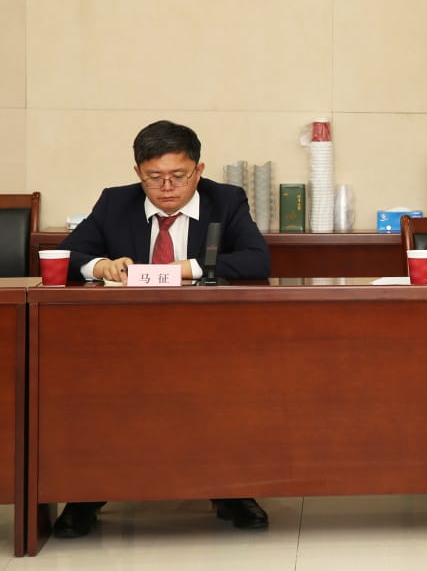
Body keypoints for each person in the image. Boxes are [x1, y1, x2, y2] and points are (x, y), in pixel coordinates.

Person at [52, 120, 271, 538]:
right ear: (138, 173)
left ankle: (231, 489)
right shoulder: (116, 202)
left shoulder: (225, 200)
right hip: (125, 340)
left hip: (208, 339)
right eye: (154, 178)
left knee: (233, 387)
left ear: (198, 170)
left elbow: (257, 259)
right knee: (89, 390)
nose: (167, 187)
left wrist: (191, 268)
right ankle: (86, 493)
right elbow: (67, 255)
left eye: (179, 176)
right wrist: (100, 266)